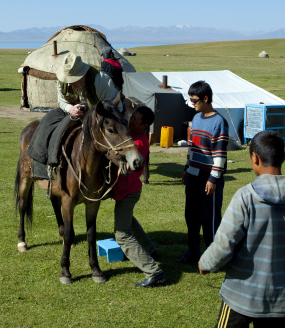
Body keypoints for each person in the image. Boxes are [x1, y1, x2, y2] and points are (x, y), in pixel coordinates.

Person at [198, 130, 285, 327]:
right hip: (281, 303)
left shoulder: (245, 197)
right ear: (283, 157)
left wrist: (206, 264)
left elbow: (224, 243)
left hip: (239, 298)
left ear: (254, 158)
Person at [27, 52, 122, 167]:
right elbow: (61, 101)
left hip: (103, 116)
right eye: (69, 80)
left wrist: (90, 121)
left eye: (75, 79)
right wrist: (70, 108)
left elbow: (113, 108)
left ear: (83, 74)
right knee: (50, 119)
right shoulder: (62, 81)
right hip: (74, 111)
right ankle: (44, 160)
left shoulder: (99, 79)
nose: (71, 83)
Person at [112, 106, 165, 287]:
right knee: (129, 221)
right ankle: (151, 249)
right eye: (132, 117)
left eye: (135, 120)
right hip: (130, 191)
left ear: (145, 125)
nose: (131, 121)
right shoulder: (133, 138)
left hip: (128, 193)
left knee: (122, 234)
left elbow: (126, 169)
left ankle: (153, 271)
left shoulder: (139, 144)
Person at [178, 80, 229, 264]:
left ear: (205, 98)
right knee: (191, 216)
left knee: (210, 219)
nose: (192, 103)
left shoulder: (219, 122)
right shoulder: (197, 118)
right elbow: (192, 147)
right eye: (190, 100)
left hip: (209, 179)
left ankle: (214, 257)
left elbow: (220, 155)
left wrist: (213, 179)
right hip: (193, 176)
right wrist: (187, 168)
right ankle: (193, 252)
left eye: (194, 100)